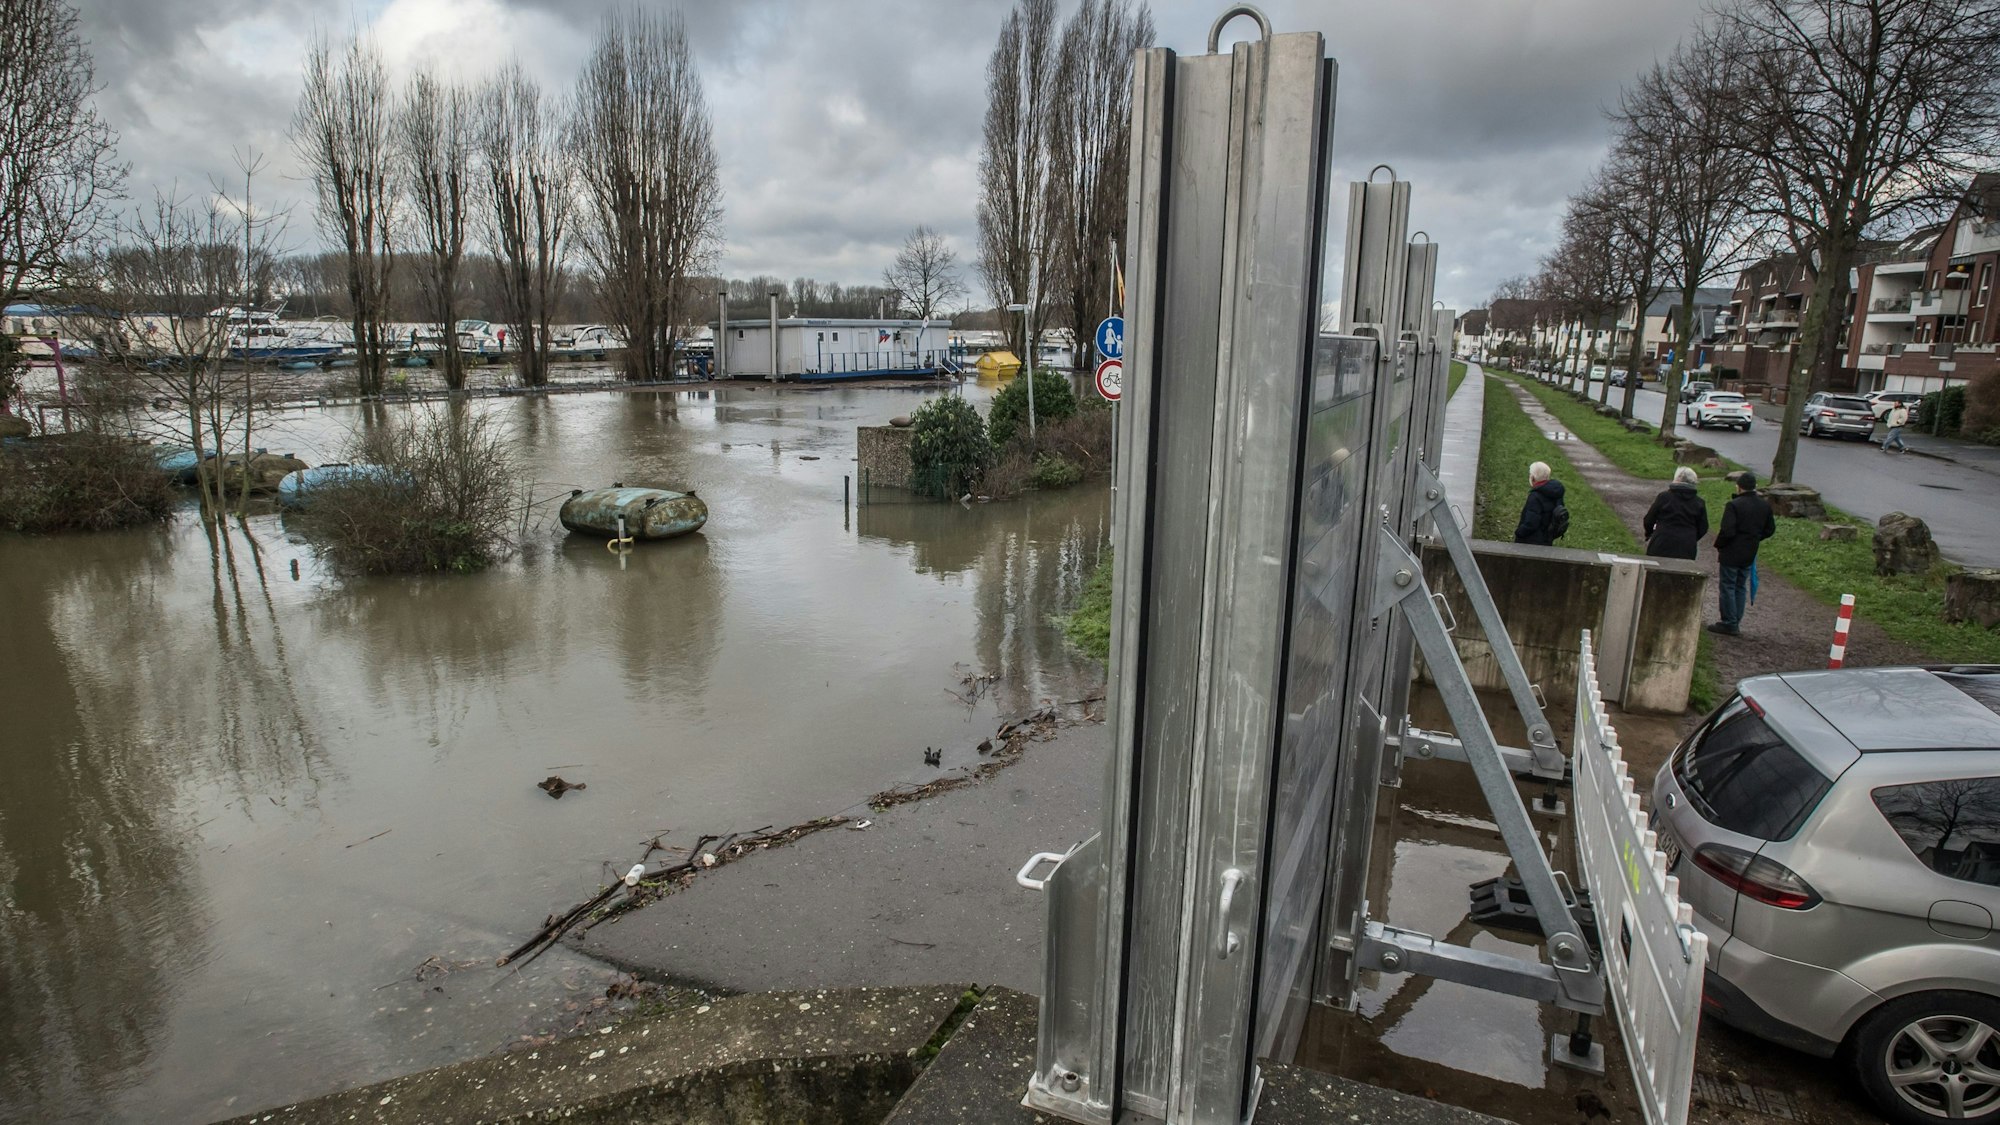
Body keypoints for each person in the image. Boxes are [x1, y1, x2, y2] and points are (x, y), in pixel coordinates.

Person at [1711, 471, 1777, 635]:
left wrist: (1719, 544)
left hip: (1732, 551)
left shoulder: (1734, 505)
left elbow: (1727, 531)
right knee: (1740, 586)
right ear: (1754, 487)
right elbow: (1770, 529)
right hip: (1749, 551)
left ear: (1739, 487)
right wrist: (1755, 538)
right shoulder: (1764, 506)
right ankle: (1736, 620)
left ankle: (1729, 622)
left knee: (1727, 586)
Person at [1643, 467, 1708, 560]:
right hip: (1687, 546)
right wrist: (1692, 537)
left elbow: (1649, 520)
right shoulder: (1699, 503)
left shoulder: (1664, 497)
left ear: (1677, 479)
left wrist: (1650, 533)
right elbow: (1703, 527)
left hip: (1661, 541)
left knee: (1656, 571)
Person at [1514, 461, 1567, 546]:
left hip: (1531, 542)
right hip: (1547, 538)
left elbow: (1531, 523)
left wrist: (1519, 533)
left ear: (1533, 477)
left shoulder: (1535, 497)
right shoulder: (1556, 493)